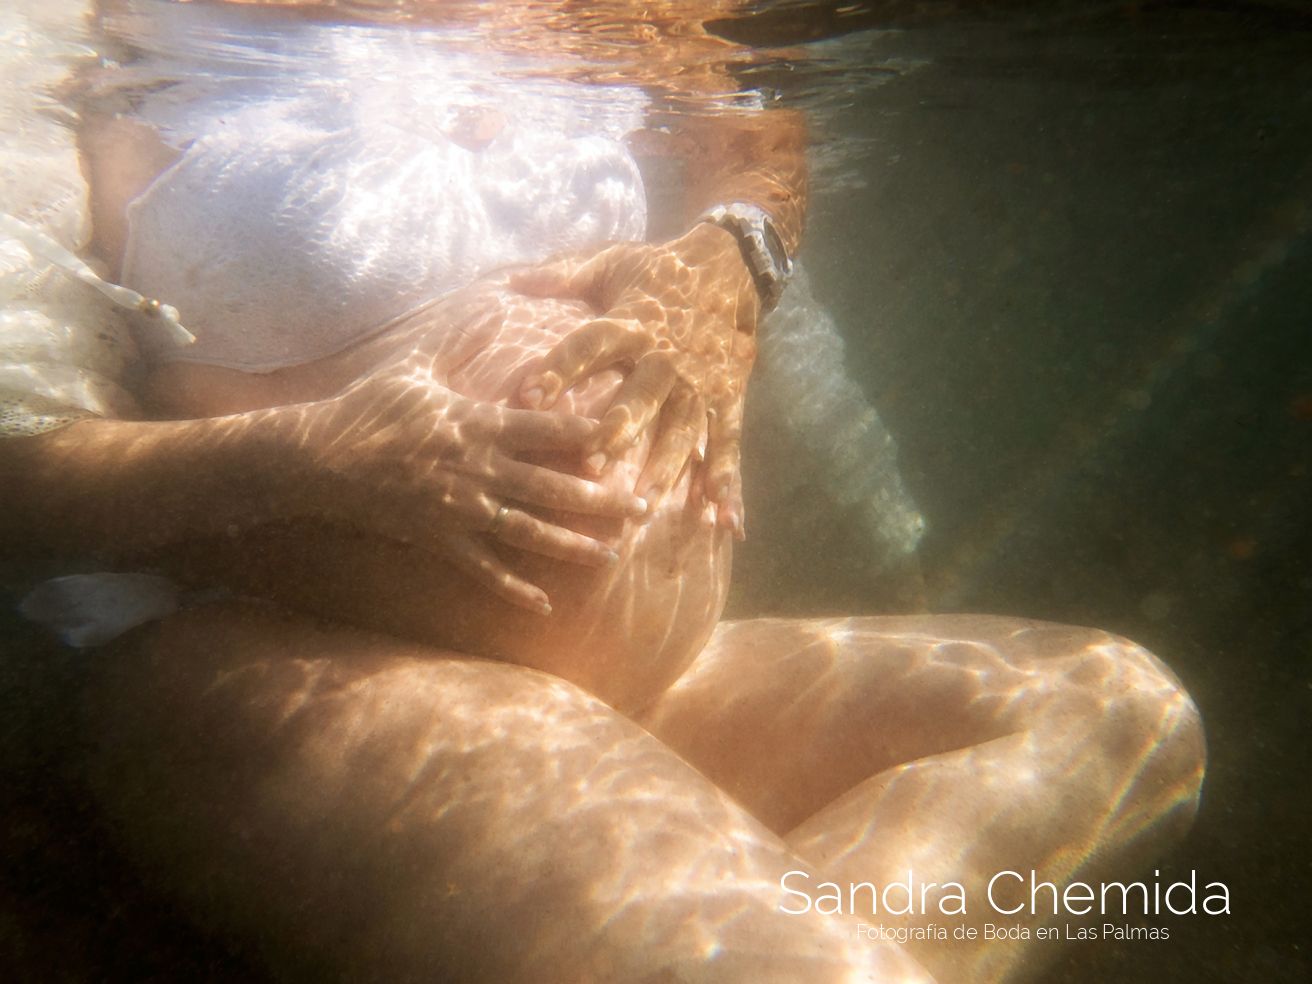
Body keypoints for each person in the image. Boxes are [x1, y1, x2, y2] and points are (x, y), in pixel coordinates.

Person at [0, 1, 1204, 981]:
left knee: (1121, 716)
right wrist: (307, 459)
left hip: (620, 669)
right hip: (267, 649)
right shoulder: (67, 37)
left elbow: (748, 128)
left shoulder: (599, 8)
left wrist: (733, 255)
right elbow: (17, 473)